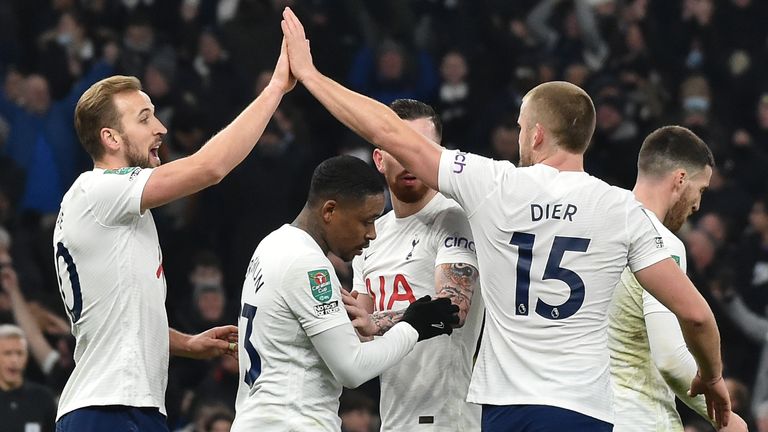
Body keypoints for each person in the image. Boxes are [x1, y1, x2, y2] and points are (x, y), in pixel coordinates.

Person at [279, 7, 731, 431]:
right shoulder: (621, 209)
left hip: (505, 406)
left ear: (535, 133)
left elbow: (387, 132)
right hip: (584, 408)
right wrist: (711, 378)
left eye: (519, 127)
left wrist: (311, 75)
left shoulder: (494, 184)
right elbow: (694, 315)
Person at [52, 38, 296, 431]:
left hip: (135, 407)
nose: (161, 128)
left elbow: (115, 321)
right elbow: (211, 167)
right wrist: (275, 88)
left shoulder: (112, 210)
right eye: (145, 118)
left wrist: (186, 343)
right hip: (105, 411)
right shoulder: (98, 190)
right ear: (111, 138)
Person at [231, 155, 460, 431]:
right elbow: (352, 368)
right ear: (329, 211)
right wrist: (412, 326)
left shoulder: (271, 245)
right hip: (293, 422)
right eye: (366, 221)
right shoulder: (308, 264)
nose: (373, 233)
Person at [346, 98, 482, 430]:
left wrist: (373, 323)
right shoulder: (371, 237)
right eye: (399, 148)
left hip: (448, 417)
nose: (411, 159)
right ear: (379, 158)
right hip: (394, 416)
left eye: (420, 147)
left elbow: (453, 310)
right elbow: (359, 336)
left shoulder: (454, 218)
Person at [608, 125, 747, 432]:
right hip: (638, 416)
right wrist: (726, 418)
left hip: (584, 413)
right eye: (701, 190)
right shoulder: (661, 243)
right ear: (681, 179)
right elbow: (670, 357)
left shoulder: (598, 228)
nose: (698, 204)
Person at [0, 324, 57, 432]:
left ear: (27, 357)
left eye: (19, 353)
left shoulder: (42, 398)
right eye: (7, 353)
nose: (14, 360)